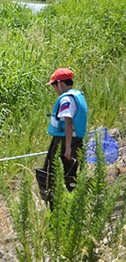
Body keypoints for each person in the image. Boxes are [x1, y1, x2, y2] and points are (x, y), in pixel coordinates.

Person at [40, 68, 88, 202]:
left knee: (51, 174)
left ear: (60, 83)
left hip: (64, 141)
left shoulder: (66, 99)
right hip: (76, 140)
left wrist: (67, 148)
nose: (54, 90)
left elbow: (68, 122)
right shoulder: (78, 96)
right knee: (70, 175)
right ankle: (72, 201)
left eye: (54, 86)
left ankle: (54, 207)